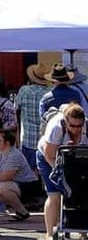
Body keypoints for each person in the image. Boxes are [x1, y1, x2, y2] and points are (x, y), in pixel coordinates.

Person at [37, 102, 88, 240]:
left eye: (79, 126)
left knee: (80, 191)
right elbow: (49, 155)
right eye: (72, 126)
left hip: (74, 157)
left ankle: (82, 228)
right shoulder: (56, 128)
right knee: (55, 194)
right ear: (66, 122)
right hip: (49, 158)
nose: (76, 129)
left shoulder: (86, 127)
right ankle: (49, 233)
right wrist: (61, 174)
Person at [0, 129, 38, 221]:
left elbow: (5, 177)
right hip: (14, 185)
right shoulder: (0, 153)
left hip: (28, 185)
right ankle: (20, 210)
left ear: (7, 142)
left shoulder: (14, 155)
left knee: (2, 188)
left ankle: (23, 211)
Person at [14, 62, 51, 171]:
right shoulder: (49, 93)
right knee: (44, 171)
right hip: (45, 139)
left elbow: (15, 108)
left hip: (28, 139)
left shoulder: (24, 90)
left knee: (28, 172)